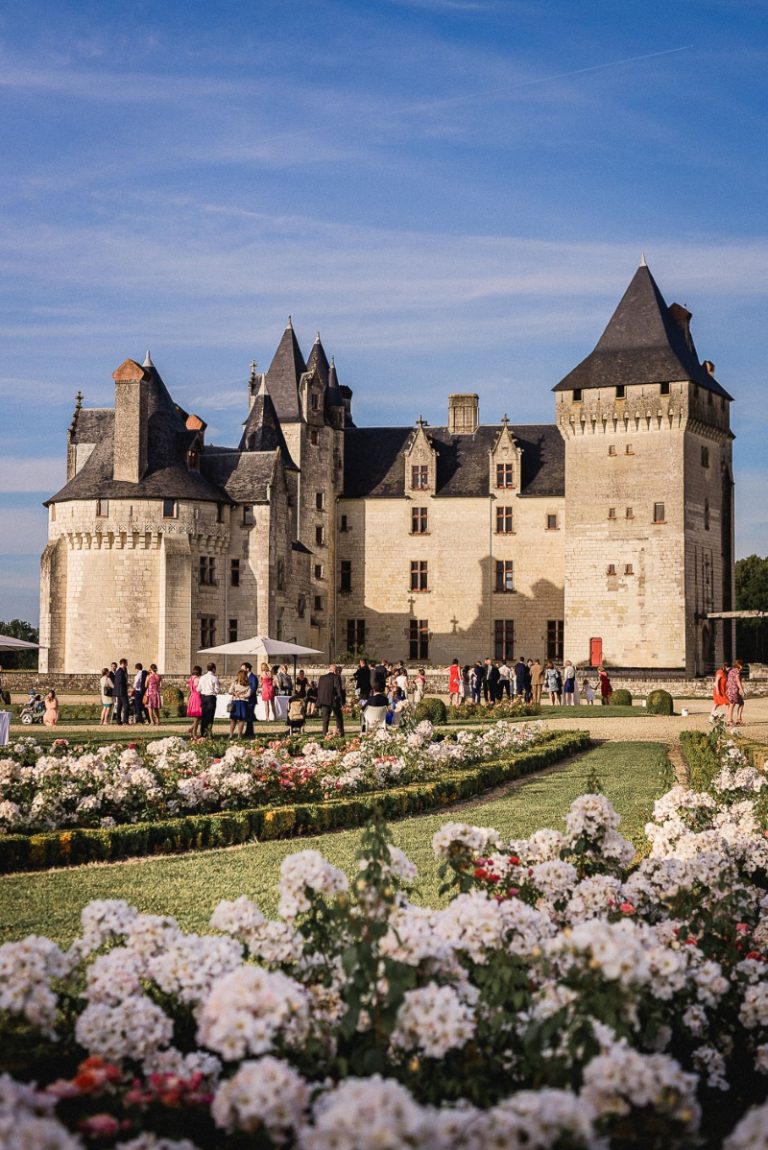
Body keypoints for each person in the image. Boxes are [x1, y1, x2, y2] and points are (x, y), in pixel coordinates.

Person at [316, 663, 345, 736]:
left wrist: (319, 700)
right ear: (335, 671)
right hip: (334, 700)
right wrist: (341, 703)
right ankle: (340, 733)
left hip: (324, 700)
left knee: (325, 719)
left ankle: (324, 733)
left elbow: (319, 689)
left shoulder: (322, 677)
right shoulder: (336, 677)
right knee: (338, 718)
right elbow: (339, 691)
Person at [199, 662, 221, 736]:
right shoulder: (214, 678)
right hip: (211, 697)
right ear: (214, 669)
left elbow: (198, 688)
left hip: (203, 697)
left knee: (204, 715)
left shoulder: (202, 677)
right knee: (210, 716)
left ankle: (202, 732)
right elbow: (217, 690)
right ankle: (208, 732)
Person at [227, 669, 251, 738]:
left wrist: (235, 693)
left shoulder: (235, 683)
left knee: (233, 719)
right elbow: (248, 694)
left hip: (235, 701)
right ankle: (239, 735)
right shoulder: (248, 684)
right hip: (243, 702)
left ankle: (231, 734)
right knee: (241, 720)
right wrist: (242, 695)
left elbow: (230, 691)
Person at [242, 662, 259, 737]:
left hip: (251, 699)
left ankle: (249, 733)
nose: (241, 670)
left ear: (247, 669)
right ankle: (249, 732)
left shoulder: (253, 677)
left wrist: (247, 695)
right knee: (248, 716)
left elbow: (254, 688)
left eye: (243, 668)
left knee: (249, 716)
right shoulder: (245, 677)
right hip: (245, 699)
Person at [726, 660, 745, 727]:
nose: (742, 667)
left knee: (741, 703)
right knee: (732, 704)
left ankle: (738, 719)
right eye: (742, 665)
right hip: (734, 690)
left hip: (729, 689)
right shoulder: (737, 671)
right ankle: (729, 720)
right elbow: (737, 681)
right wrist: (741, 689)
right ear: (740, 665)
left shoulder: (731, 671)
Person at [186, 665, 203, 738]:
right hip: (197, 697)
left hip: (192, 696)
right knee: (197, 716)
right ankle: (194, 733)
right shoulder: (197, 679)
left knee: (198, 717)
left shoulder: (190, 679)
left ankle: (192, 729)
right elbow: (198, 688)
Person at [113, 658, 130, 725]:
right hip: (121, 691)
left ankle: (118, 721)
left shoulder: (122, 670)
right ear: (124, 663)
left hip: (120, 691)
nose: (127, 664)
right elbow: (120, 681)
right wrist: (126, 684)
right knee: (126, 705)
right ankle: (125, 720)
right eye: (126, 663)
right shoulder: (120, 671)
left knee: (119, 706)